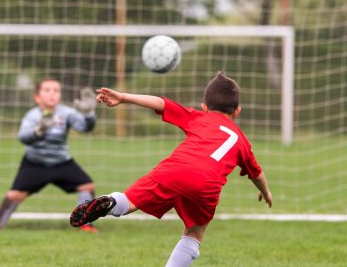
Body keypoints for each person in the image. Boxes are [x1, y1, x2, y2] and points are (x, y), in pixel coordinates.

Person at [70, 71, 272, 266]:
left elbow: (161, 103)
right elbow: (257, 173)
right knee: (194, 232)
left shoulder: (198, 117)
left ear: (204, 107)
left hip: (173, 170)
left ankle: (111, 202)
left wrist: (123, 97)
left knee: (130, 201)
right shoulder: (241, 141)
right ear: (237, 111)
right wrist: (266, 192)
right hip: (206, 185)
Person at [0, 78, 99, 234]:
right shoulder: (32, 116)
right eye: (47, 90)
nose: (52, 94)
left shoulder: (66, 113)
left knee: (87, 186)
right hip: (35, 163)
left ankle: (86, 223)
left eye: (56, 90)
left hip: (61, 162)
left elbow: (86, 128)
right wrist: (38, 131)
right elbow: (23, 138)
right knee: (15, 195)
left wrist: (89, 114)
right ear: (37, 97)